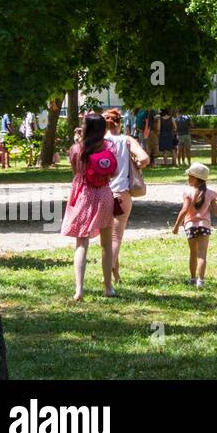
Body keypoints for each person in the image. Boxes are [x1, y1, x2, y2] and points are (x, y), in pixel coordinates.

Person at [60, 113, 118, 301]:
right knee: (107, 244)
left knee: (81, 242)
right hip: (104, 193)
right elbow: (114, 172)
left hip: (84, 193)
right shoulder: (109, 146)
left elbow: (75, 171)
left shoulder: (76, 148)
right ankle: (108, 287)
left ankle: (79, 289)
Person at [102, 108, 149, 288]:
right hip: (121, 194)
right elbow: (144, 158)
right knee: (116, 237)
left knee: (106, 238)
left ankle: (116, 276)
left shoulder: (98, 142)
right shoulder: (126, 140)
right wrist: (137, 163)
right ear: (119, 123)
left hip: (100, 193)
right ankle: (108, 278)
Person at [173, 162, 217, 286]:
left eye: (190, 176)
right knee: (202, 254)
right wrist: (215, 201)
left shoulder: (188, 192)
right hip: (204, 226)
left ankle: (193, 278)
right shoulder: (211, 193)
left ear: (196, 179)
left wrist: (176, 226)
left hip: (190, 226)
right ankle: (201, 280)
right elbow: (216, 212)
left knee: (193, 253)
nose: (188, 178)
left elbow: (184, 210)